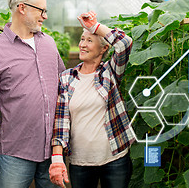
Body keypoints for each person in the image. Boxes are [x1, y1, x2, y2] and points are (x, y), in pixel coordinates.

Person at [0, 0, 65, 188]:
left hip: (53, 152)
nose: (45, 16)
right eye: (41, 10)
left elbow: (63, 88)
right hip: (15, 152)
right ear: (22, 8)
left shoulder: (49, 44)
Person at [49, 11, 135, 188]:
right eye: (82, 39)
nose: (82, 44)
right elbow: (61, 121)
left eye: (89, 40)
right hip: (80, 162)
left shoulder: (109, 73)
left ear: (104, 48)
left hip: (115, 157)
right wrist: (57, 159)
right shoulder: (66, 77)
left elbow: (125, 43)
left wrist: (95, 27)